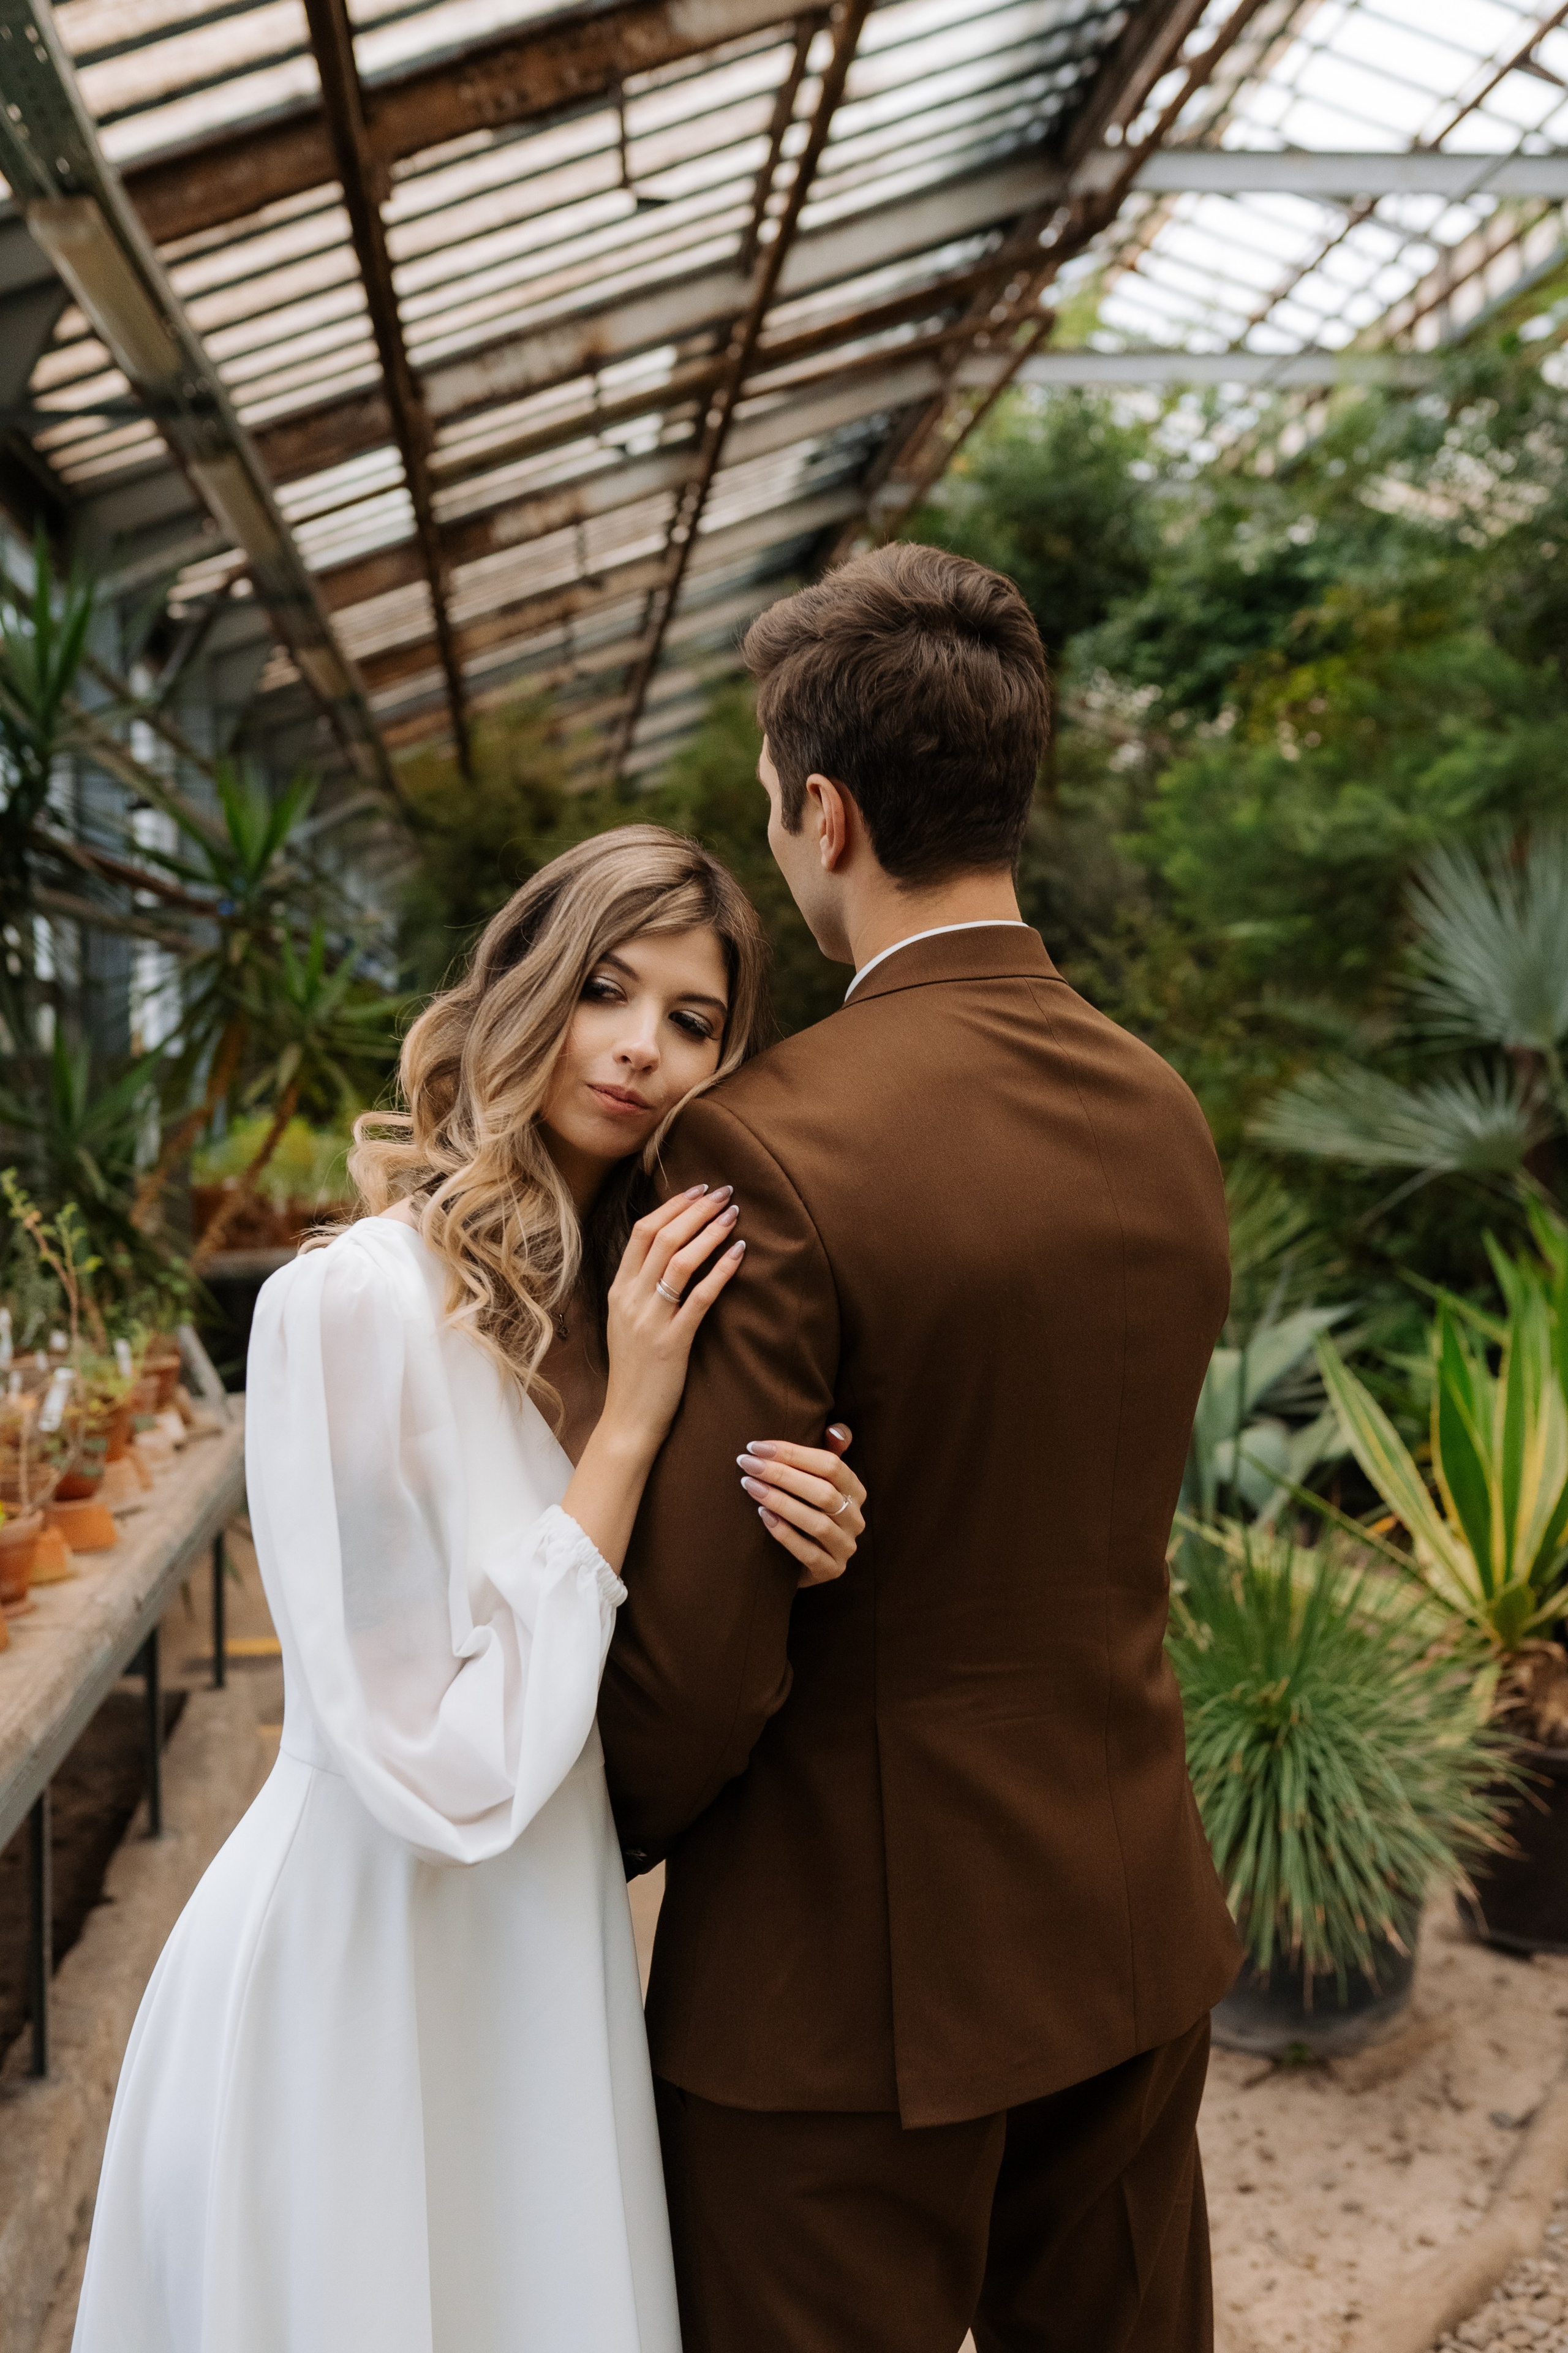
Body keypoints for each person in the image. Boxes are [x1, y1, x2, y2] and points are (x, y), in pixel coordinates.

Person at [70, 829, 866, 2353]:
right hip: (364, 1970)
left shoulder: (662, 1304)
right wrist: (628, 1426)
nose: (640, 1048)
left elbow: (676, 1646)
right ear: (524, 991)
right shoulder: (350, 1307)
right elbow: (442, 1759)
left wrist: (805, 1535)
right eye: (607, 990)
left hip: (543, 1971)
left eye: (692, 1020)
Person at [597, 543, 1243, 2353]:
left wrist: (570, 1835)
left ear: (824, 812)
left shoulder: (767, 1144)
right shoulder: (1160, 1113)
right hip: (1123, 1919)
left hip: (837, 1993)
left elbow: (709, 1659)